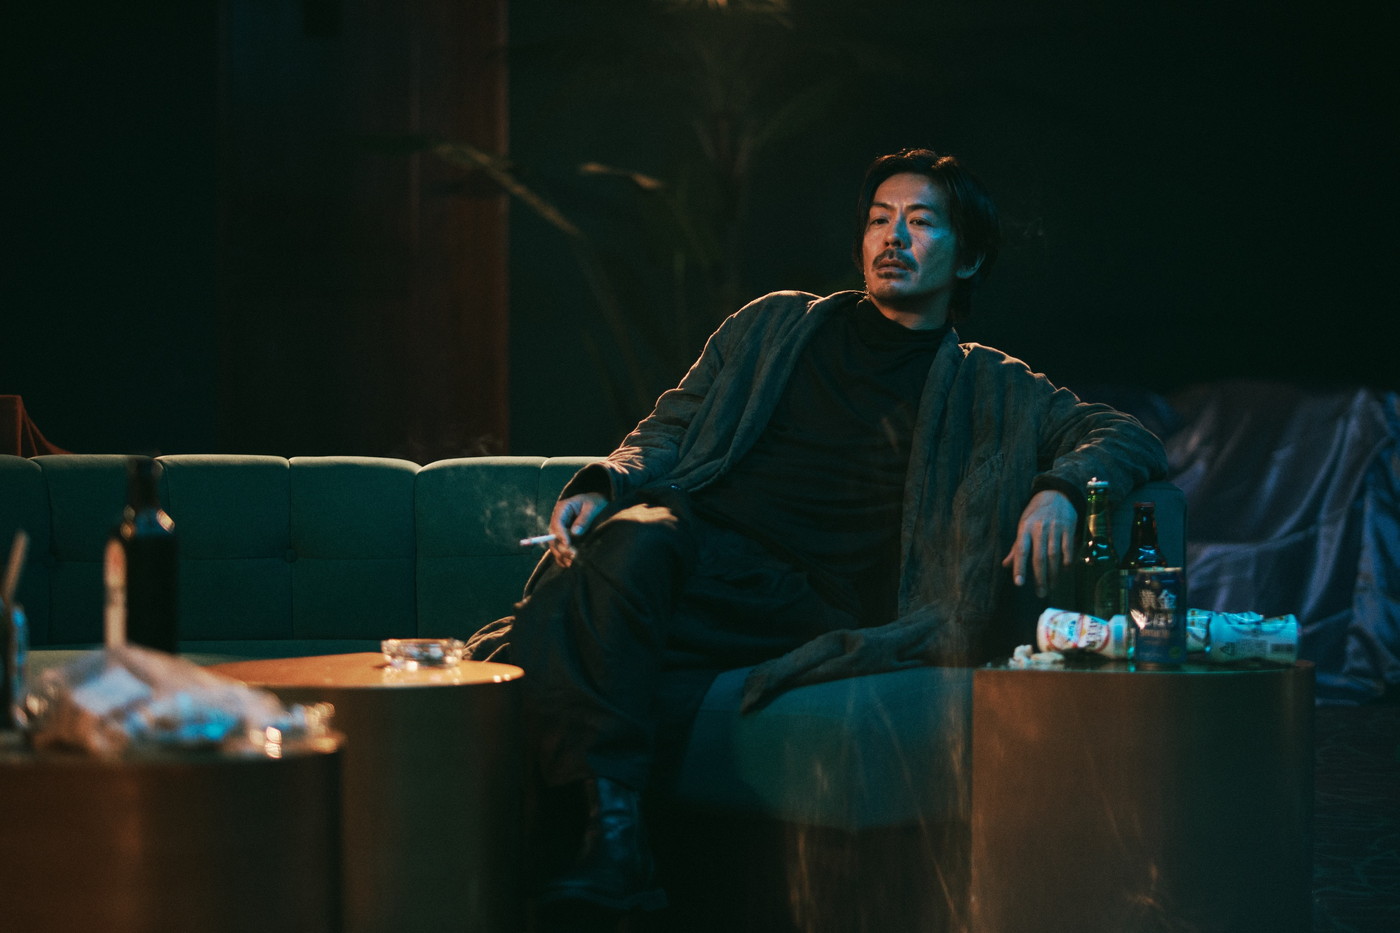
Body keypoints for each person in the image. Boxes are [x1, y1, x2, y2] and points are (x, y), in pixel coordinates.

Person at [466, 147, 1168, 915]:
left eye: (920, 222)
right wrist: (609, 480)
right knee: (630, 535)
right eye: (879, 219)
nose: (892, 237)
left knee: (573, 603)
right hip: (688, 547)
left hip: (801, 597)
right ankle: (613, 849)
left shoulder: (991, 383)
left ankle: (596, 846)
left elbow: (1125, 434)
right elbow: (670, 427)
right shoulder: (773, 325)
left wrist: (1061, 490)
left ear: (967, 259)